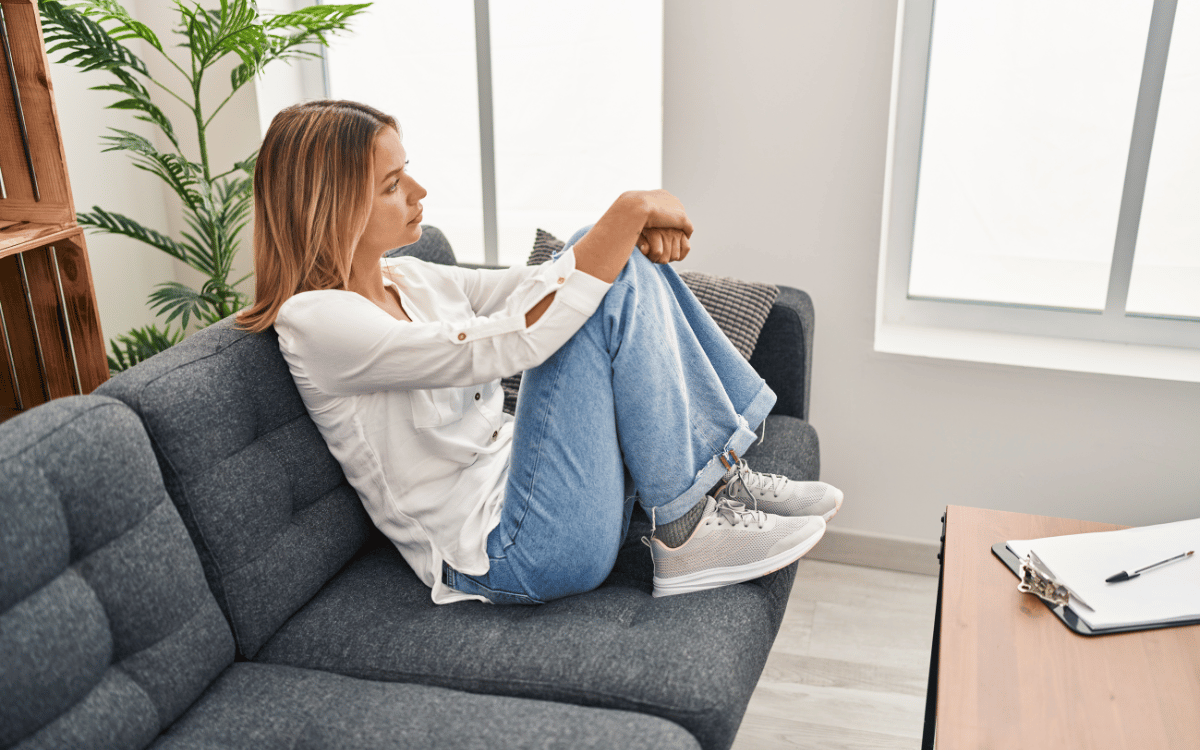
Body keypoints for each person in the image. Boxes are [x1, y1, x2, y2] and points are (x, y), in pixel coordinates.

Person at [237, 100, 843, 605]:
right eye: (393, 186)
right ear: (332, 206)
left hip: (550, 496)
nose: (419, 191)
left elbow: (541, 283)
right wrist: (631, 211)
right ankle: (686, 532)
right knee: (592, 269)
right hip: (511, 552)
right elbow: (511, 343)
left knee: (593, 258)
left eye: (407, 173)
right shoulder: (318, 322)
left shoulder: (410, 278)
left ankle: (721, 477)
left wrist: (619, 237)